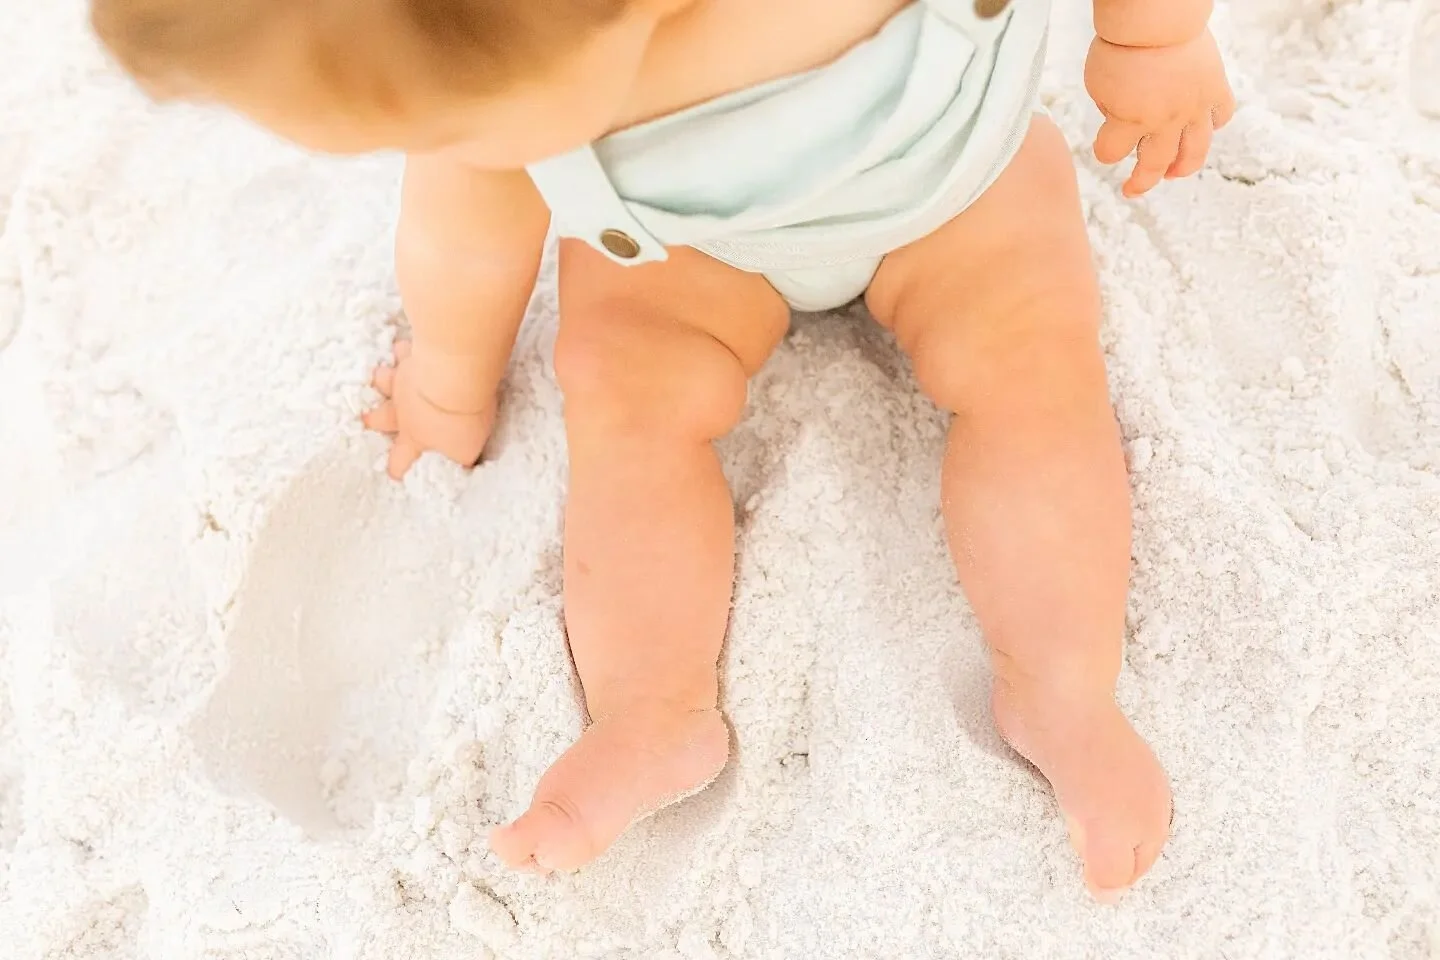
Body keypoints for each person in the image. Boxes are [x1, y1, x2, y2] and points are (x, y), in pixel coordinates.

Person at [92, 0, 1235, 901]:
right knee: (624, 400)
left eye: (440, 127)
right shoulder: (488, 82)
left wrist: (1154, 36)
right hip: (685, 252)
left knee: (1031, 373)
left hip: (950, 187)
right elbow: (461, 246)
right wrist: (448, 383)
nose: (434, 149)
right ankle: (651, 713)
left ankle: (1064, 689)